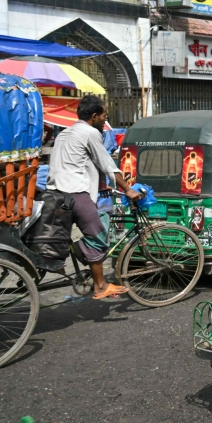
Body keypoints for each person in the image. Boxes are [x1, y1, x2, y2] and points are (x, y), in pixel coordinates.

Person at [46, 95, 140, 299]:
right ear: (94, 116)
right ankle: (100, 285)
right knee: (98, 236)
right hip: (76, 192)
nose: (105, 122)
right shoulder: (89, 132)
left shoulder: (65, 133)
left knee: (97, 224)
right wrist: (128, 189)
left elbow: (83, 163)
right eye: (104, 117)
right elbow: (108, 165)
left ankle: (81, 251)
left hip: (56, 193)